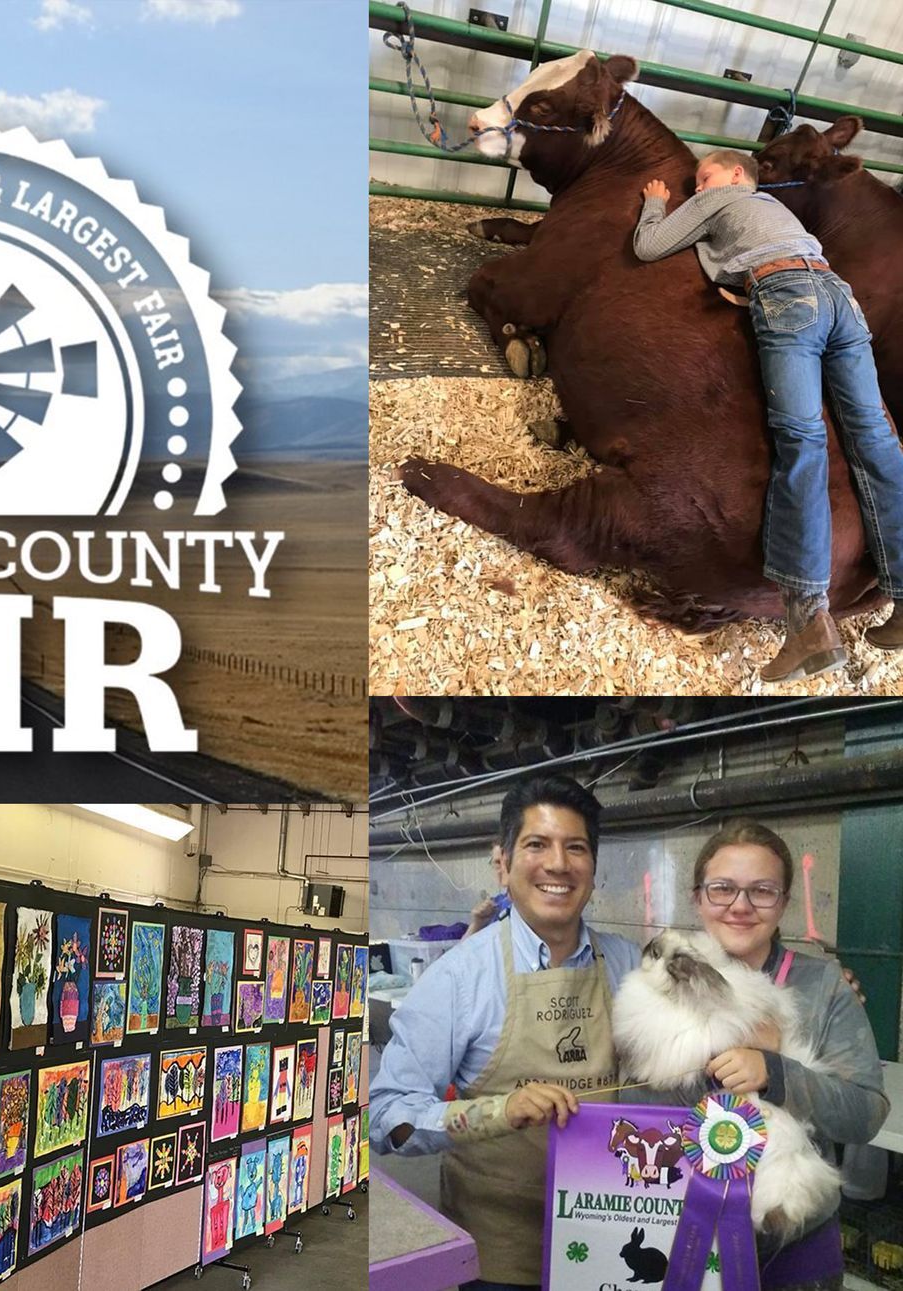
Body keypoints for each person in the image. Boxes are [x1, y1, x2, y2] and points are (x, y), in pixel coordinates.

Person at [632, 149, 903, 681]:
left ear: (737, 175)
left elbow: (649, 249)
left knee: (802, 441)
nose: (697, 186)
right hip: (838, 296)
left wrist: (656, 205)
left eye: (703, 177)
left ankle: (808, 624)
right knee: (876, 439)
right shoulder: (782, 214)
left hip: (787, 294)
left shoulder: (720, 198)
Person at [369, 774, 638, 1291]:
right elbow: (387, 1118)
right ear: (504, 862)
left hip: (609, 1237)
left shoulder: (628, 964)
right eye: (537, 844)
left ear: (593, 868)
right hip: (500, 1251)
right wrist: (498, 1111)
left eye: (575, 847)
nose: (558, 864)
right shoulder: (459, 977)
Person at [666, 820, 888, 1289]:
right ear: (698, 897)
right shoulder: (660, 982)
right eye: (722, 888)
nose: (741, 906)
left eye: (762, 891)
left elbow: (866, 1114)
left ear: (784, 901)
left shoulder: (824, 986)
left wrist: (776, 1072)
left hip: (796, 1242)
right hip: (683, 1233)